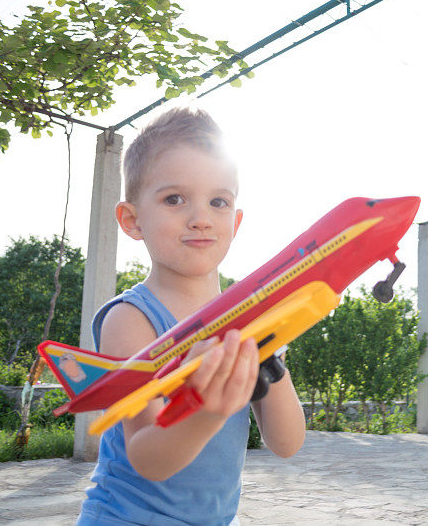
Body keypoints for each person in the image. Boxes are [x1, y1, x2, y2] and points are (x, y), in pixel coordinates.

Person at [76, 108, 306, 525]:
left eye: (218, 201)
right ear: (132, 220)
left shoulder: (247, 319)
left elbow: (286, 443)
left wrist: (271, 357)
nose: (201, 219)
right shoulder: (132, 319)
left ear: (235, 222)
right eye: (174, 199)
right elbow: (147, 457)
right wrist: (209, 409)